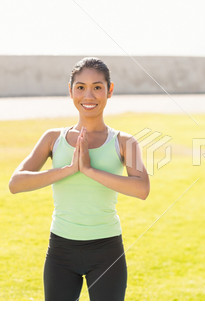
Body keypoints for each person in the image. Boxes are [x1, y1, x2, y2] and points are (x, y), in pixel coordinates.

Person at [8, 57, 150, 301]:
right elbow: (16, 183)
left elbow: (142, 188)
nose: (89, 96)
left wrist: (90, 171)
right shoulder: (53, 138)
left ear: (110, 90)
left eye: (97, 87)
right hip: (61, 251)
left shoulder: (125, 142)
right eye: (81, 87)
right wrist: (69, 169)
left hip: (107, 250)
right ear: (70, 91)